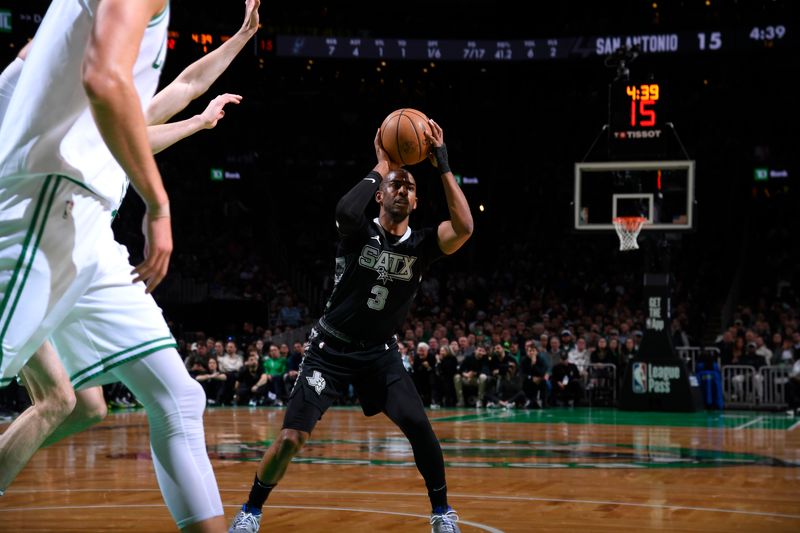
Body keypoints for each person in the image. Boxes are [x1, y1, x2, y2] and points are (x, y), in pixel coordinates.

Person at [0, 1, 259, 529]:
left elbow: (183, 86)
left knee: (175, 397)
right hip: (42, 206)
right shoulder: (78, 68)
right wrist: (159, 206)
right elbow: (103, 80)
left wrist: (238, 42)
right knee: (65, 401)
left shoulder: (102, 79)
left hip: (89, 229)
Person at [229, 121, 473, 533]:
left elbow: (464, 228)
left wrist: (442, 163)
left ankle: (442, 512)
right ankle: (251, 511)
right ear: (379, 195)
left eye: (410, 187)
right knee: (291, 439)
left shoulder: (423, 245)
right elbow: (344, 210)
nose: (402, 189)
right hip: (330, 350)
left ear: (416, 201)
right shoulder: (358, 233)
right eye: (395, 184)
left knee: (419, 427)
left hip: (380, 355)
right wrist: (382, 163)